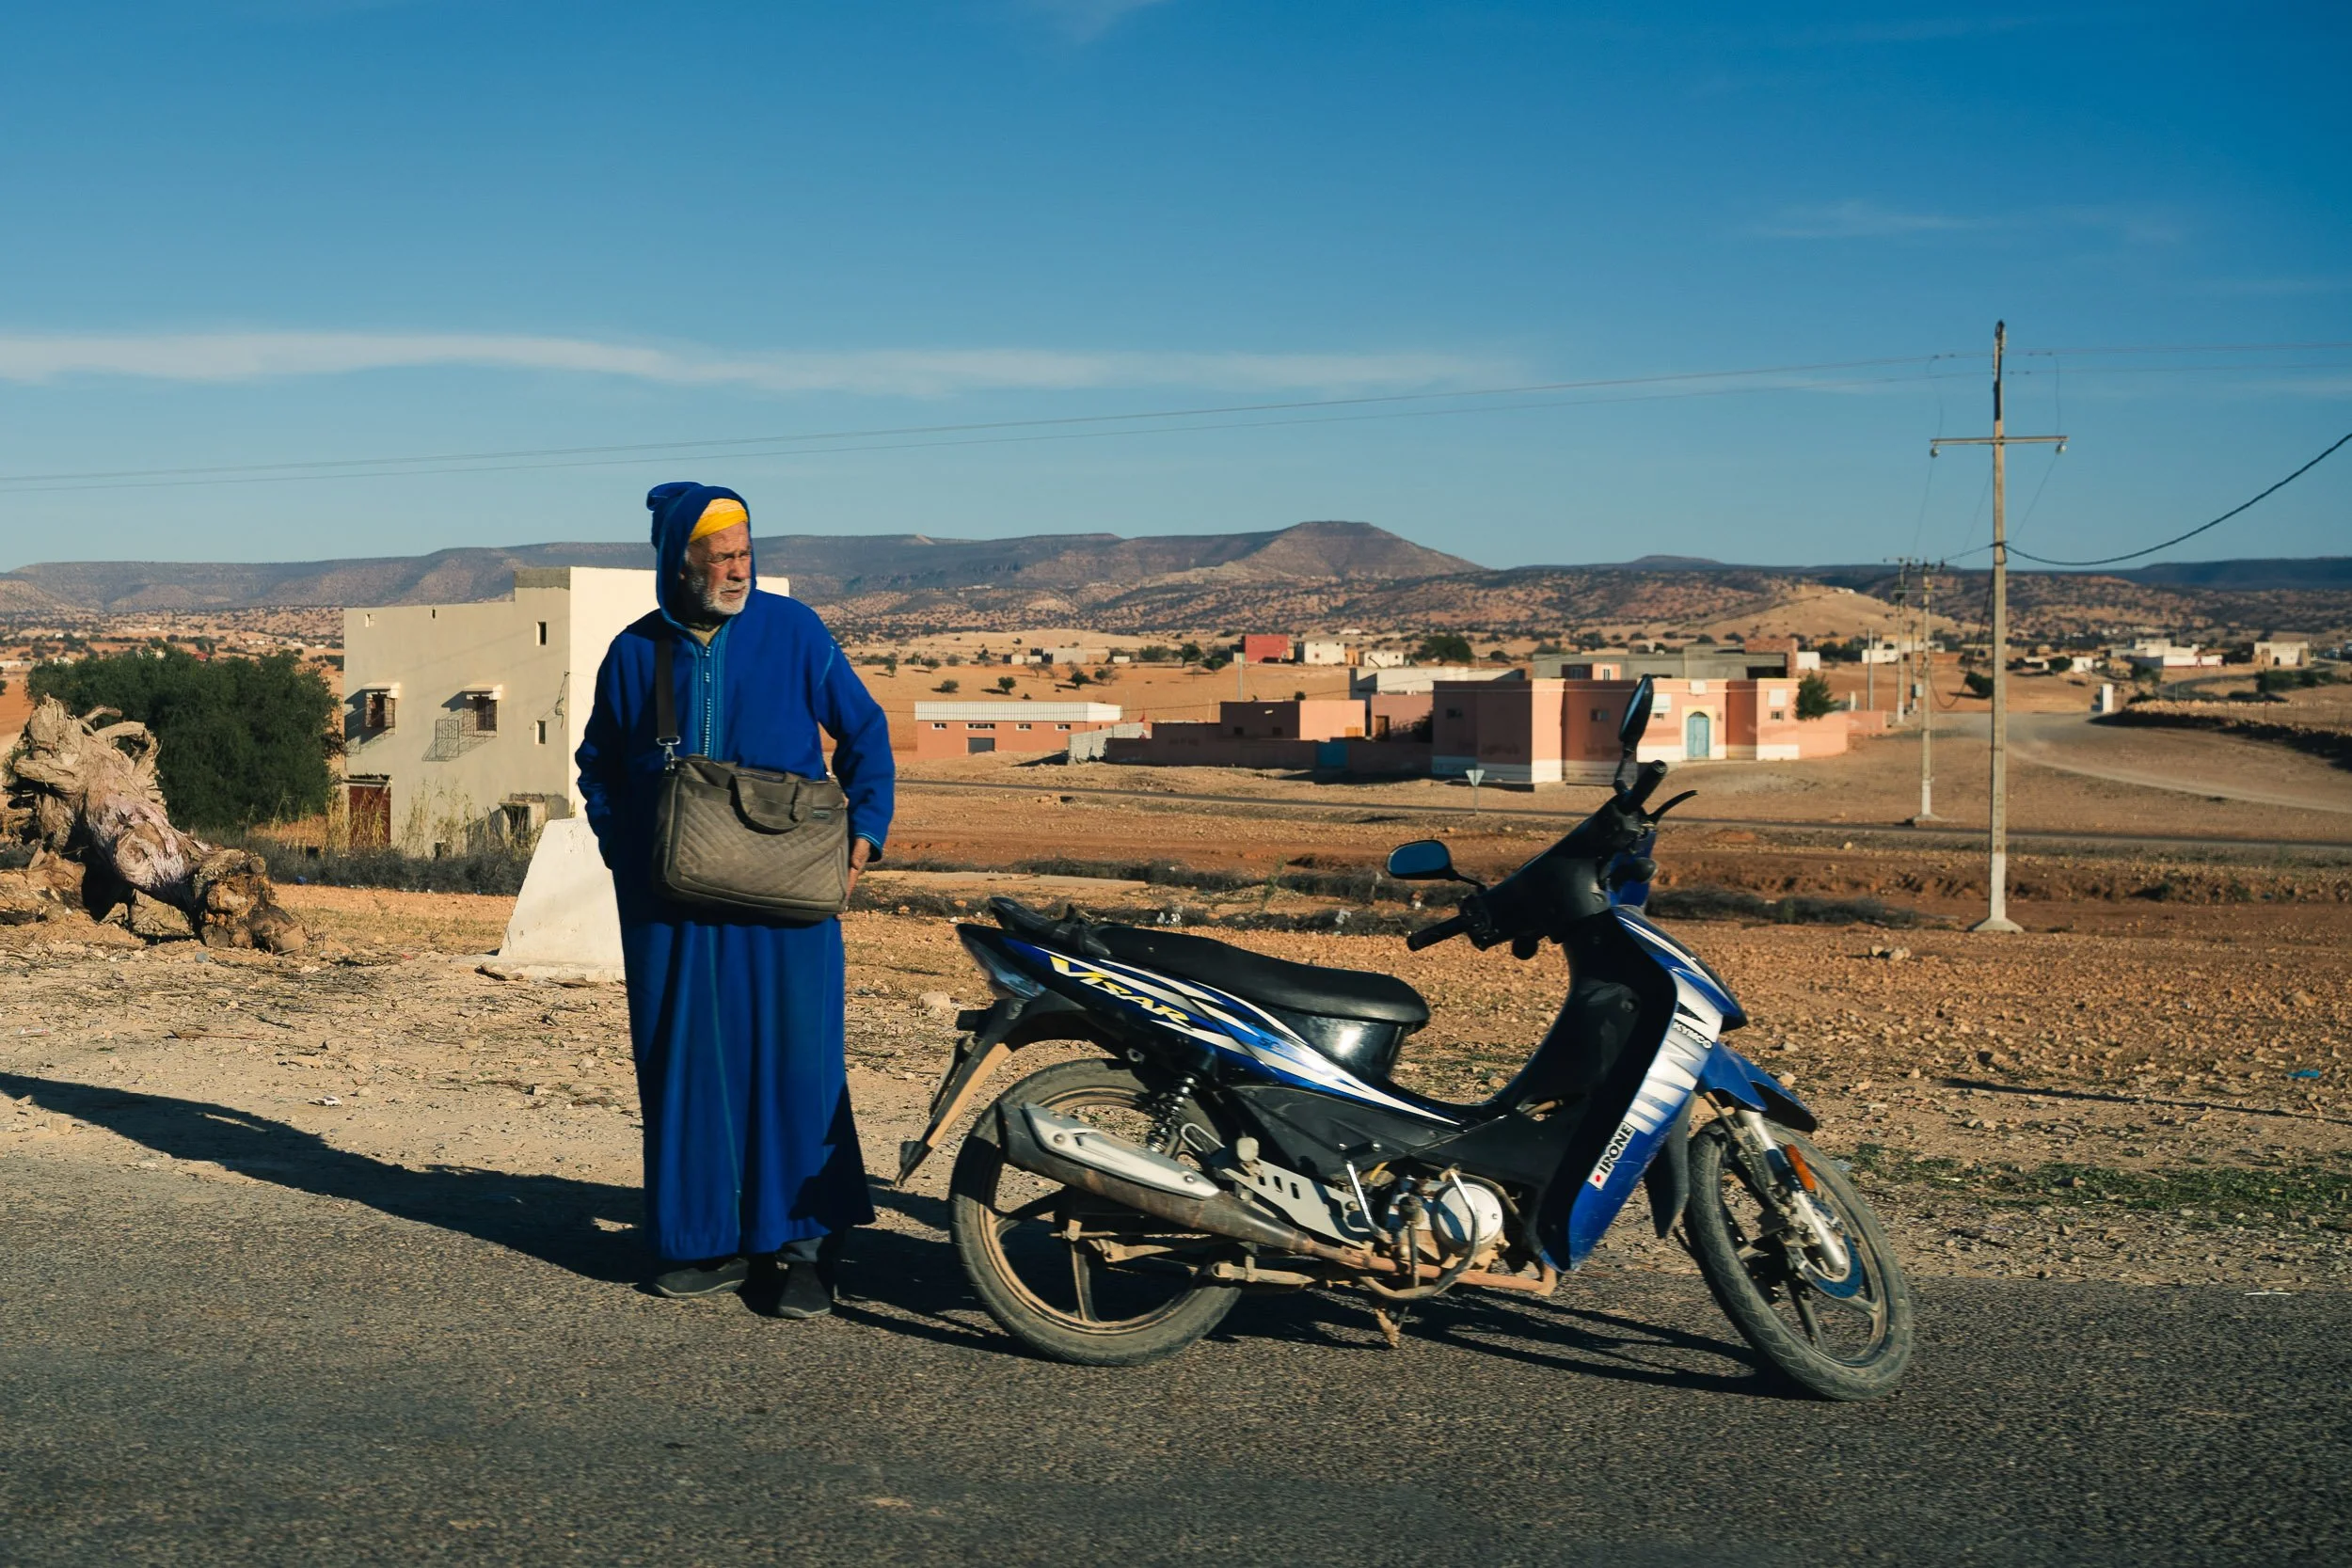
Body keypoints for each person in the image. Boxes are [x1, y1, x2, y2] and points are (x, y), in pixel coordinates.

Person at [577, 482, 894, 1319]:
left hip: (787, 899)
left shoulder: (795, 633)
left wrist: (865, 832)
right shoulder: (636, 652)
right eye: (718, 556)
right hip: (670, 906)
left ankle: (801, 1249)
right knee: (685, 1065)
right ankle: (702, 1239)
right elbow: (598, 767)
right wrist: (624, 855)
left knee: (797, 1063)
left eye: (745, 553)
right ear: (677, 563)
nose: (737, 568)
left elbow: (865, 733)